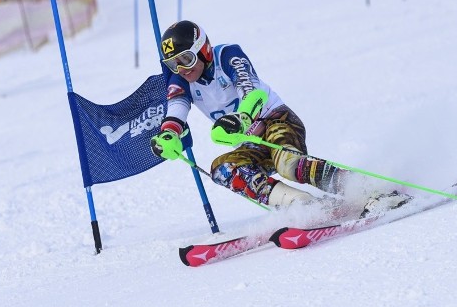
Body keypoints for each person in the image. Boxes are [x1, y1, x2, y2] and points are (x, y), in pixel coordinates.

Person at [149, 20, 357, 209]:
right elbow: (177, 105)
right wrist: (170, 133)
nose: (181, 68)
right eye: (173, 63)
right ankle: (304, 206)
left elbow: (250, 88)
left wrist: (243, 117)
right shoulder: (181, 79)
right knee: (223, 169)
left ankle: (358, 188)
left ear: (203, 50)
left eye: (186, 59)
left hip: (276, 121)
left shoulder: (226, 56)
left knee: (288, 164)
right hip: (251, 143)